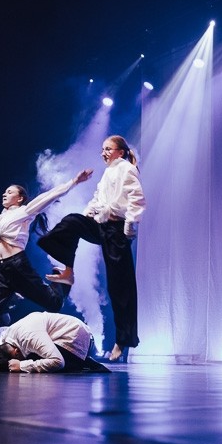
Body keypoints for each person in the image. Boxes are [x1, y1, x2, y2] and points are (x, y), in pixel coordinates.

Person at [39, 135, 146, 362]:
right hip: (101, 225)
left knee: (120, 286)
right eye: (102, 149)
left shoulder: (127, 169)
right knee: (72, 221)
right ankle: (68, 271)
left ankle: (123, 340)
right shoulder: (108, 172)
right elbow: (98, 198)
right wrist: (87, 214)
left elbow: (136, 198)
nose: (103, 153)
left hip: (117, 230)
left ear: (120, 152)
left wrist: (130, 226)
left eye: (108, 149)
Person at [0, 168, 94, 356]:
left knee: (53, 304)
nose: (4, 194)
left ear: (20, 198)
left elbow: (49, 196)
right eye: (5, 192)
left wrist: (74, 181)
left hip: (17, 266)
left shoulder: (24, 211)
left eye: (9, 192)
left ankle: (61, 282)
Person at [0, 311, 111, 373]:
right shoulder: (5, 338)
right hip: (62, 335)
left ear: (16, 352)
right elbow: (1, 352)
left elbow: (58, 362)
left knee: (38, 360)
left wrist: (21, 365)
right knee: (33, 356)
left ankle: (84, 363)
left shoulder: (30, 337)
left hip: (78, 338)